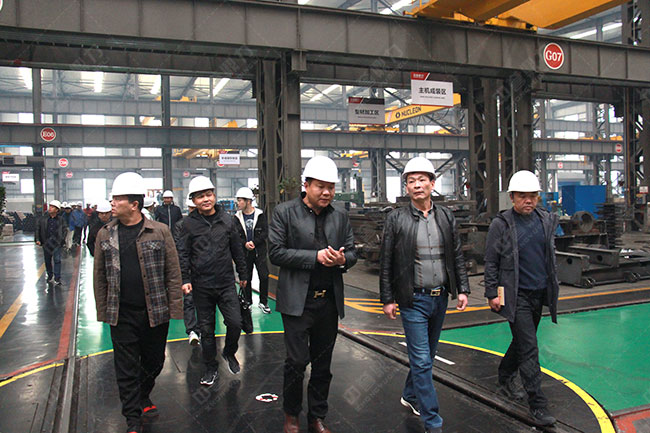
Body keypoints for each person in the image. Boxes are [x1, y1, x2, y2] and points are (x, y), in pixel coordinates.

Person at [379, 156, 470, 433]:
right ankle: (433, 422)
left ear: (432, 183)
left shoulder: (446, 216)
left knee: (427, 356)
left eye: (422, 180)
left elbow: (456, 255)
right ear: (406, 187)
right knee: (421, 360)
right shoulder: (396, 219)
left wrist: (463, 289)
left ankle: (410, 394)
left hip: (440, 298)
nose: (417, 185)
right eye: (411, 181)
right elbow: (386, 261)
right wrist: (387, 298)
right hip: (413, 299)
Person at [269, 156, 357, 433]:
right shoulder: (284, 213)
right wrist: (314, 257)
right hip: (298, 301)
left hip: (327, 301)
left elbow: (353, 252)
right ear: (306, 185)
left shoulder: (340, 216)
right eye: (321, 186)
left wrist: (342, 260)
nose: (327, 192)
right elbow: (275, 253)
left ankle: (317, 416)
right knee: (296, 362)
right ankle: (291, 415)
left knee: (322, 364)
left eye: (331, 187)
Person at [93, 172, 182, 433]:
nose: (112, 203)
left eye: (117, 199)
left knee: (155, 361)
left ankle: (143, 394)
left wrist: (175, 307)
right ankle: (132, 418)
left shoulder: (160, 231)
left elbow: (173, 271)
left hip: (155, 311)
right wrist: (103, 311)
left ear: (134, 204)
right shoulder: (105, 234)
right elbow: (99, 275)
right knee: (126, 367)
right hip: (121, 313)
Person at [484, 170, 560, 427]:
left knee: (522, 341)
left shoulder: (545, 220)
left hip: (539, 293)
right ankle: (537, 405)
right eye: (522, 196)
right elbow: (491, 261)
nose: (528, 201)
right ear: (512, 197)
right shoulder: (502, 225)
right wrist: (492, 292)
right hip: (516, 296)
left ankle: (505, 375)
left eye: (533, 196)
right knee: (529, 348)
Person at [176, 176, 248, 386]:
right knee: (206, 330)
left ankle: (229, 352)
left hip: (226, 283)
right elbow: (183, 254)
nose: (206, 199)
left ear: (214, 196)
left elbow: (237, 249)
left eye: (208, 195)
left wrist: (243, 274)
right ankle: (210, 367)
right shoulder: (188, 225)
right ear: (193, 200)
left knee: (235, 323)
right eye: (200, 197)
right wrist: (185, 279)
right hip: (202, 286)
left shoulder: (228, 220)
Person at [234, 187, 271, 314]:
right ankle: (248, 302)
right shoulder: (236, 217)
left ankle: (263, 302)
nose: (238, 203)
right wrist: (244, 244)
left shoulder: (260, 215)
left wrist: (254, 243)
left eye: (240, 200)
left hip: (259, 251)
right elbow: (235, 235)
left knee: (264, 276)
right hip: (245, 252)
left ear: (248, 201)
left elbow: (265, 232)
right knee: (246, 277)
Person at [173, 195, 200, 346]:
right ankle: (192, 330)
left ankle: (202, 329)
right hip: (189, 268)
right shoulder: (181, 225)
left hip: (204, 270)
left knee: (204, 301)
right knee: (189, 299)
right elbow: (180, 248)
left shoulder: (209, 224)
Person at [35, 200, 67, 286]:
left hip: (56, 243)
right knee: (47, 260)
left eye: (53, 207)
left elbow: (64, 230)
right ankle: (50, 275)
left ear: (57, 210)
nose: (50, 208)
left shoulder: (61, 220)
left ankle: (57, 278)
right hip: (46, 243)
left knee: (57, 260)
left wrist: (61, 240)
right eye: (50, 206)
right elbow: (38, 229)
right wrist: (38, 239)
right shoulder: (44, 219)